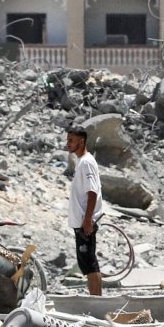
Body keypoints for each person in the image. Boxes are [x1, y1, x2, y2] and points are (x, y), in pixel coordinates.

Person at [66, 126, 103, 296]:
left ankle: (97, 302)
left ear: (81, 141)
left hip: (85, 223)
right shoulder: (82, 162)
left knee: (90, 264)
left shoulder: (87, 162)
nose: (68, 144)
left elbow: (92, 191)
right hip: (81, 222)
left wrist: (87, 220)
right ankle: (95, 300)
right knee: (87, 264)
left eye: (71, 141)